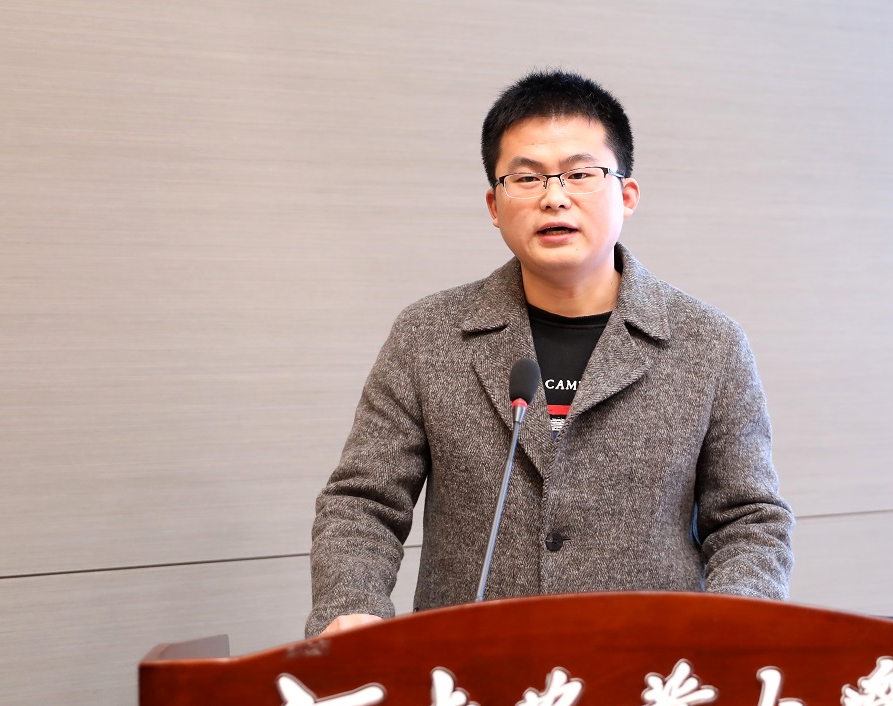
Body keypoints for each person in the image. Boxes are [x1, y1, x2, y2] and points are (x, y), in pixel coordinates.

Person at [306, 70, 793, 638]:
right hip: (471, 669)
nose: (554, 197)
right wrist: (351, 605)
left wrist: (733, 625)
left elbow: (748, 518)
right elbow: (362, 502)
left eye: (581, 174)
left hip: (649, 667)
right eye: (527, 178)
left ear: (627, 195)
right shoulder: (428, 335)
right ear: (494, 204)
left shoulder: (708, 342)